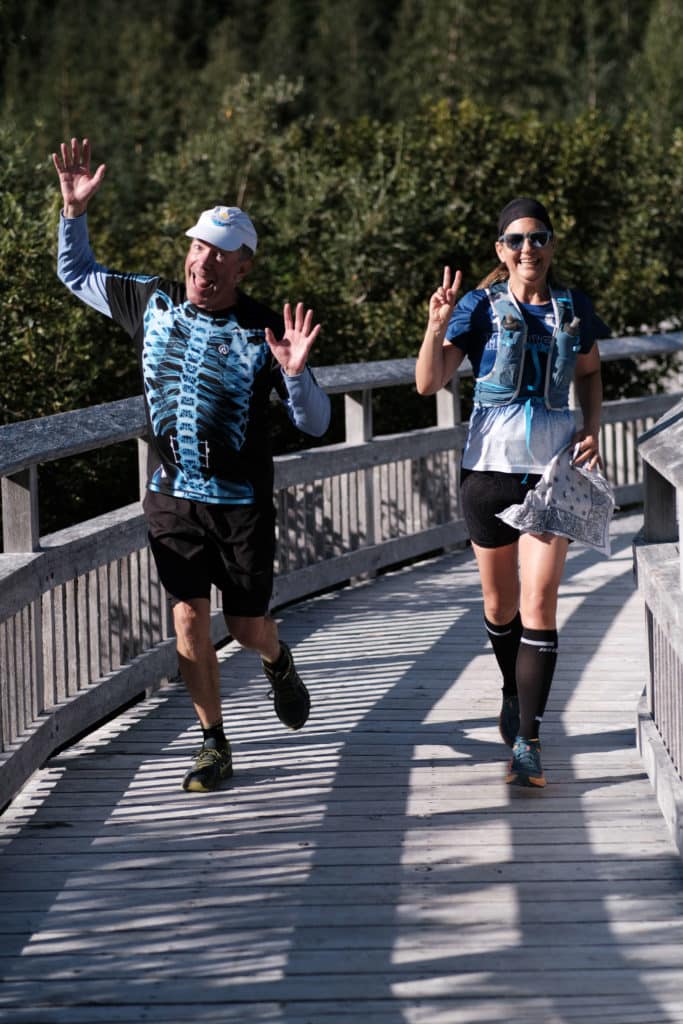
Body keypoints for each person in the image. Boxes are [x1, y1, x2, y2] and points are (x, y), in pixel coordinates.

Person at [53, 137, 331, 793]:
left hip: (239, 501)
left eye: (221, 257)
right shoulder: (149, 304)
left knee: (246, 625)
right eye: (198, 249)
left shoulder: (265, 330)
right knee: (185, 616)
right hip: (172, 494)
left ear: (243, 270)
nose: (203, 264)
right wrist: (73, 215)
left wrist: (294, 377)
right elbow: (76, 274)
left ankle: (276, 658)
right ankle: (213, 741)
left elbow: (316, 422)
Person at [416, 197, 608, 788]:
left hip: (551, 476)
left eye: (540, 238)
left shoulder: (573, 308)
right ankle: (509, 686)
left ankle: (528, 739)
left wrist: (593, 427)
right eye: (518, 240)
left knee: (541, 601)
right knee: (501, 608)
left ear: (551, 247)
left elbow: (592, 370)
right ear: (501, 249)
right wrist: (436, 324)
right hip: (489, 476)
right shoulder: (477, 306)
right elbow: (428, 383)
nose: (530, 248)